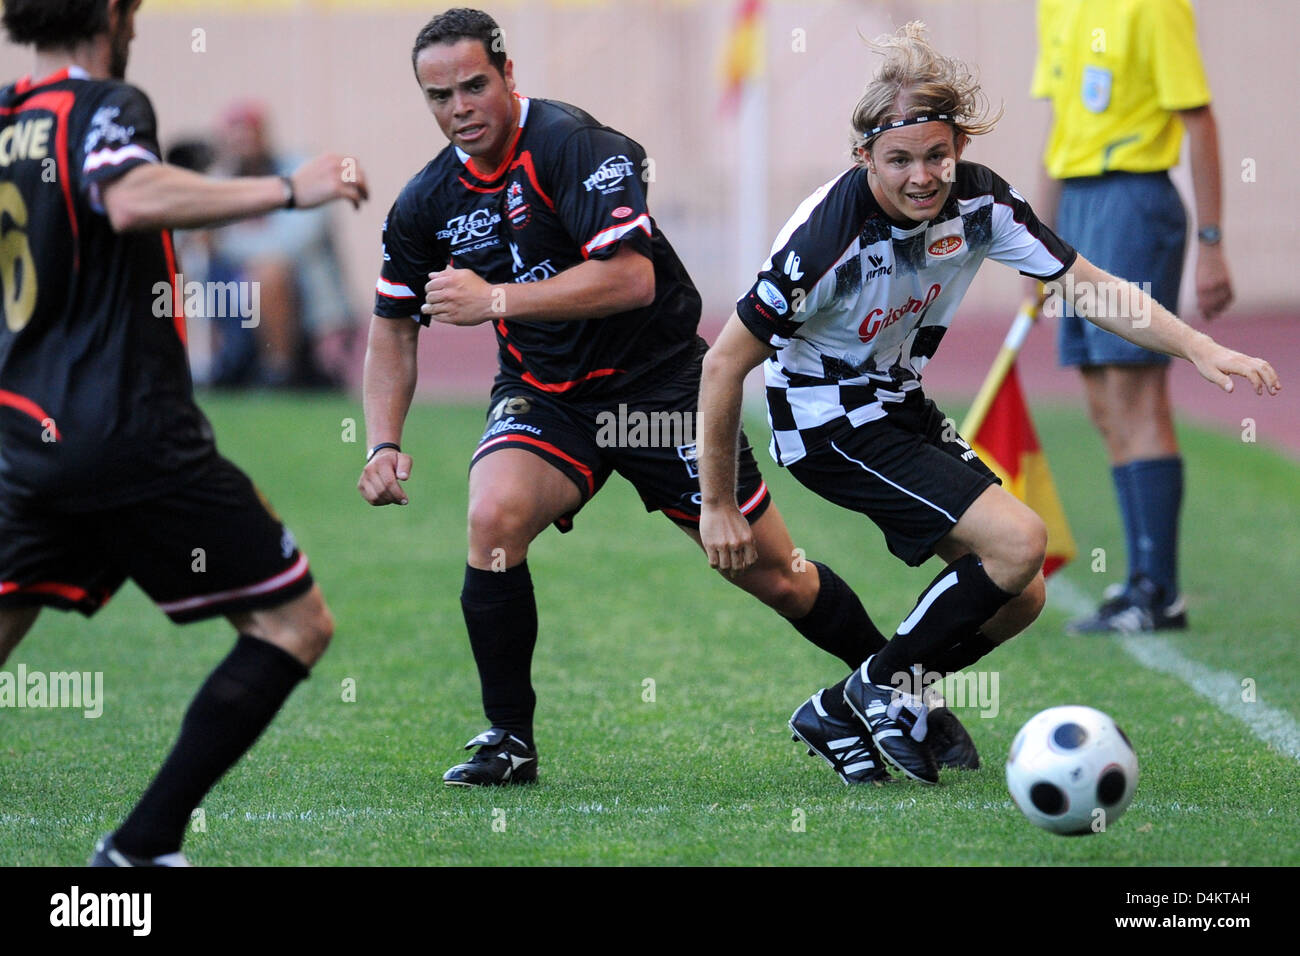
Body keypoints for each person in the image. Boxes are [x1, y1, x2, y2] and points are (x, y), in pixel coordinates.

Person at [358, 7, 979, 789]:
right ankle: (508, 739)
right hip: (548, 399)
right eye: (439, 96)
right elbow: (392, 324)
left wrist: (498, 301)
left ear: (509, 76)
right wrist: (382, 442)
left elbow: (630, 278)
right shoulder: (426, 202)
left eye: (475, 85)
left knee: (776, 573)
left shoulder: (579, 148)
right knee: (492, 519)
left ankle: (893, 687)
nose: (460, 108)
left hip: (662, 390)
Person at [697, 22, 1278, 784]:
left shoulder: (981, 203)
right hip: (825, 420)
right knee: (1019, 541)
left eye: (937, 155)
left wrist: (1199, 346)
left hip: (897, 402)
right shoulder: (824, 241)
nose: (922, 177)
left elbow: (1086, 283)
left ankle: (846, 706)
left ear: (959, 146)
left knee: (1022, 592)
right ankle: (878, 689)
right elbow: (721, 366)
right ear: (864, 157)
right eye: (899, 160)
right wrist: (717, 502)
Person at [0, 0, 368, 864]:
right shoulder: (105, 105)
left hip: (28, 434)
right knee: (293, 624)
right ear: (115, 12)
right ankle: (140, 848)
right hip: (129, 433)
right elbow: (127, 196)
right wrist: (287, 186)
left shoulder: (12, 114)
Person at [1030, 0, 1231, 633]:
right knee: (1103, 403)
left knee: (1136, 396)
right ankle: (1143, 582)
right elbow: (1060, 129)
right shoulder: (1055, 9)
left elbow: (1199, 120)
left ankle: (1158, 589)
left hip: (1133, 198)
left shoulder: (1154, 7)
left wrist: (1213, 241)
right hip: (1078, 207)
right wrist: (1036, 244)